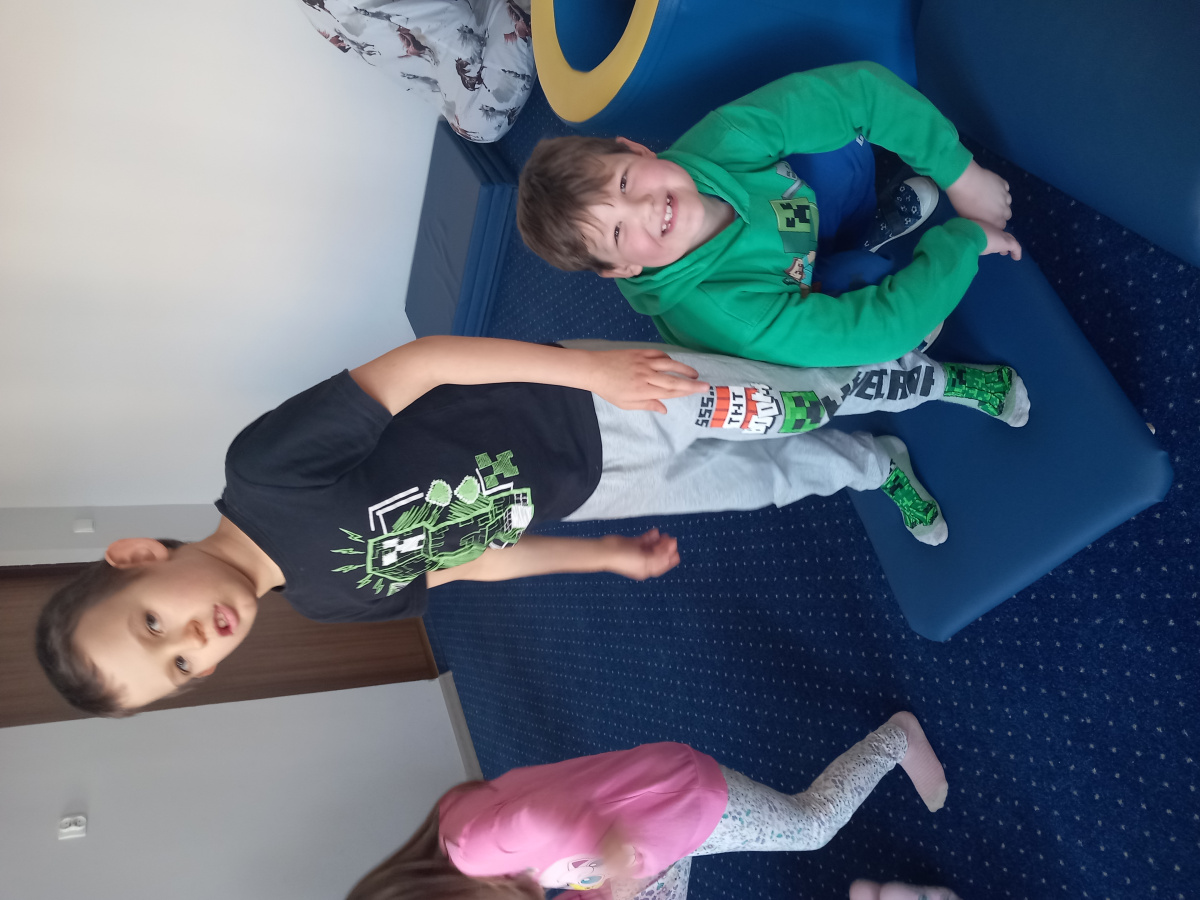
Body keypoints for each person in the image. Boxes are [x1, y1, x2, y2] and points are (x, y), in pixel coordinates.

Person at [36, 336, 1028, 715]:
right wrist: (601, 558)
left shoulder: (260, 473)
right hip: (583, 492)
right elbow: (472, 563)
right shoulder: (329, 605)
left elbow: (419, 365)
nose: (191, 643)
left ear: (138, 557)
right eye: (179, 670)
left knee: (785, 400)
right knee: (761, 483)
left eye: (151, 625)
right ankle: (878, 465)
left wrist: (588, 369)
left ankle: (936, 380)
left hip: (581, 405)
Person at [516, 61, 1024, 368]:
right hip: (795, 291)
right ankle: (867, 254)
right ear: (622, 268)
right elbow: (874, 332)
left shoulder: (720, 141)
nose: (645, 209)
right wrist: (965, 243)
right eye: (618, 231)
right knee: (871, 295)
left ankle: (865, 226)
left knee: (832, 146)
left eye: (625, 183)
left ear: (637, 149)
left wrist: (961, 173)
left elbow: (857, 92)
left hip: (795, 218)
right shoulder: (727, 313)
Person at [345, 712, 948, 900]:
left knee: (811, 826)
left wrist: (612, 858)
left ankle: (896, 739)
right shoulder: (469, 854)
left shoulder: (473, 848)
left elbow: (541, 820)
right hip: (648, 845)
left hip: (682, 803)